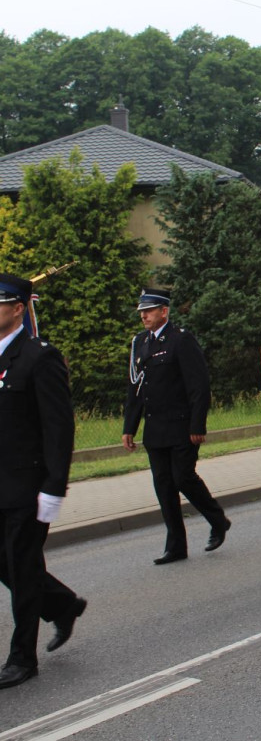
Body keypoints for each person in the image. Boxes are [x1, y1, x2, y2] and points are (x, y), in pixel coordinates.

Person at [0, 274, 86, 690]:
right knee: (10, 565)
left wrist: (54, 487)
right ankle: (63, 603)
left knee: (22, 566)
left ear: (18, 308)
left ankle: (22, 658)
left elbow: (58, 428)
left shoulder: (39, 357)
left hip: (26, 486)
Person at [123, 288, 231, 565]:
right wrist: (129, 427)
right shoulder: (141, 343)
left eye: (149, 310)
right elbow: (137, 389)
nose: (144, 316)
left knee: (183, 477)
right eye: (141, 312)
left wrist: (198, 424)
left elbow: (199, 385)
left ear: (164, 311)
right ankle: (176, 545)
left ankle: (217, 519)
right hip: (155, 428)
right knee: (164, 486)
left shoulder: (181, 340)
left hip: (182, 426)